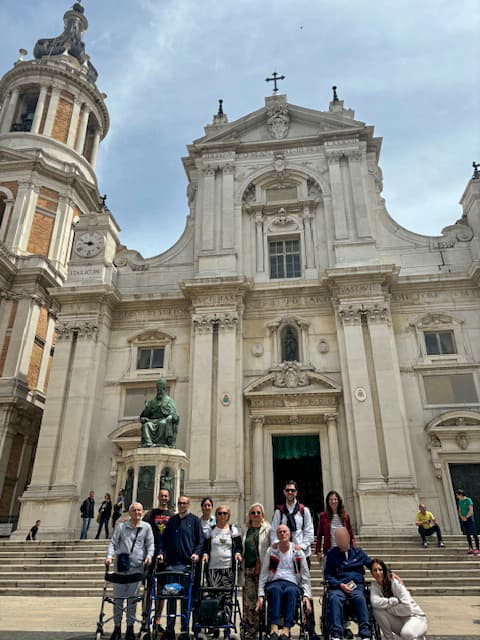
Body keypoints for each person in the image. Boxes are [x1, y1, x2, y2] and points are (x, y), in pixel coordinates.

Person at [105, 502, 154, 640]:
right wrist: (109, 557)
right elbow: (113, 543)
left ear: (142, 512)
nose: (137, 513)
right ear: (130, 512)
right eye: (134, 510)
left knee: (132, 600)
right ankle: (117, 627)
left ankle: (130, 628)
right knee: (118, 600)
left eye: (139, 510)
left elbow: (150, 545)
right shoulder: (121, 527)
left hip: (137, 569)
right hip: (121, 568)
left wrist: (149, 557)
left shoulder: (146, 527)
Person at [255, 524, 312, 640]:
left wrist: (306, 595)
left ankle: (286, 630)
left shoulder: (297, 552)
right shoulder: (271, 550)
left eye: (285, 531)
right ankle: (274, 628)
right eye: (280, 532)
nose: (282, 534)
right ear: (277, 535)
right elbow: (264, 574)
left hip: (292, 582)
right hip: (275, 581)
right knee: (275, 590)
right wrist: (260, 595)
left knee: (291, 592)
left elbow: (305, 576)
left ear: (289, 534)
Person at [158, 496, 204, 633]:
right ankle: (170, 628)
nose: (182, 505)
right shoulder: (172, 521)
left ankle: (184, 628)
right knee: (171, 597)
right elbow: (163, 540)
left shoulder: (195, 521)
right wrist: (161, 553)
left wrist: (196, 554)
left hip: (187, 566)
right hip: (172, 566)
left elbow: (200, 541)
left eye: (184, 503)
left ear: (188, 505)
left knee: (185, 598)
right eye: (179, 503)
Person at [316, 491, 356, 640]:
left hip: (344, 555)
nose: (333, 501)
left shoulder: (345, 516)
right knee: (331, 587)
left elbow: (350, 534)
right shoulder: (323, 517)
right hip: (330, 555)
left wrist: (354, 551)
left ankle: (345, 624)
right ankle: (332, 622)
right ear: (328, 501)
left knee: (346, 586)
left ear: (338, 501)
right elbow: (319, 534)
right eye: (331, 499)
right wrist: (318, 551)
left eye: (335, 499)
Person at [324, 527, 373, 640]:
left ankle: (365, 634)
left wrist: (388, 573)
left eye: (342, 537)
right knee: (334, 598)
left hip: (356, 586)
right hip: (339, 586)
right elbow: (328, 575)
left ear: (348, 537)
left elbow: (373, 565)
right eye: (338, 538)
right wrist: (339, 584)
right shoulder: (332, 554)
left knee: (360, 598)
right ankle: (336, 634)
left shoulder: (358, 552)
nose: (340, 540)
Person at [370, 558, 427, 640]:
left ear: (385, 571)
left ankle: (417, 635)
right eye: (375, 570)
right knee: (377, 610)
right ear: (372, 573)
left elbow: (407, 609)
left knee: (407, 634)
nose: (378, 573)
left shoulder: (395, 583)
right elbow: (374, 602)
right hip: (400, 620)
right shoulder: (375, 585)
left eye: (380, 570)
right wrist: (392, 602)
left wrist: (388, 608)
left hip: (415, 617)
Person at [144, 488, 175, 627]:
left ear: (168, 498)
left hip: (166, 558)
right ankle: (145, 618)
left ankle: (157, 619)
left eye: (166, 496)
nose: (163, 498)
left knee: (162, 589)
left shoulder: (172, 516)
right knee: (148, 588)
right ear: (158, 497)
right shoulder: (150, 514)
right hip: (151, 556)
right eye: (161, 495)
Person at [242, 503, 271, 640]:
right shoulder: (245, 529)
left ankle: (264, 629)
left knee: (263, 600)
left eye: (258, 512)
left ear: (262, 515)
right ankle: (251, 630)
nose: (256, 515)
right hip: (248, 570)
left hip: (263, 571)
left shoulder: (268, 529)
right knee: (249, 601)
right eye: (253, 513)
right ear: (249, 515)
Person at [271, 480, 314, 567]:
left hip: (301, 554)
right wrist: (279, 546)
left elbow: (309, 531)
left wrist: (301, 546)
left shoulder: (304, 511)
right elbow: (274, 532)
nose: (290, 492)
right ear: (284, 492)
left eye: (292, 490)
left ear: (296, 492)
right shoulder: (279, 512)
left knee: (303, 580)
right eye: (287, 490)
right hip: (283, 554)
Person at [202, 504, 242, 588]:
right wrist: (205, 554)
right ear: (216, 515)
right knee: (214, 597)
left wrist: (238, 553)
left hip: (228, 567)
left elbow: (239, 546)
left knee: (227, 597)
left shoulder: (233, 530)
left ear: (228, 515)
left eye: (225, 513)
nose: (222, 515)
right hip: (213, 567)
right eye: (220, 513)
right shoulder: (211, 530)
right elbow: (205, 547)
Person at [140, 378, 179, 448]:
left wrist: (170, 416)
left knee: (162, 424)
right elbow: (145, 415)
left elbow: (174, 415)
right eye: (158, 389)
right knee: (147, 425)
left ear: (164, 389)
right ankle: (148, 443)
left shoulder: (169, 401)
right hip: (152, 421)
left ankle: (162, 443)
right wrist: (146, 410)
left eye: (161, 389)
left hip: (164, 420)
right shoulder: (152, 402)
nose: (160, 391)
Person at [456, 489, 479, 555]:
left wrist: (466, 517)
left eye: (457, 495)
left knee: (473, 533)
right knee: (468, 534)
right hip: (463, 519)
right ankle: (470, 547)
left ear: (461, 495)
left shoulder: (468, 500)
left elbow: (471, 510)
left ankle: (477, 548)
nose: (457, 497)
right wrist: (461, 517)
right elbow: (459, 510)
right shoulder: (460, 501)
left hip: (469, 518)